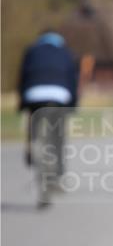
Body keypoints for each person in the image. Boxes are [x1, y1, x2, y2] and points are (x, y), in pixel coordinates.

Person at [18, 30, 82, 207]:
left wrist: (22, 104)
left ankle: (31, 146)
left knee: (34, 124)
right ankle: (58, 172)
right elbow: (73, 81)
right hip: (58, 96)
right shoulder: (66, 52)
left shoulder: (31, 51)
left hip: (33, 95)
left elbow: (23, 78)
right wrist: (73, 106)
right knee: (57, 137)